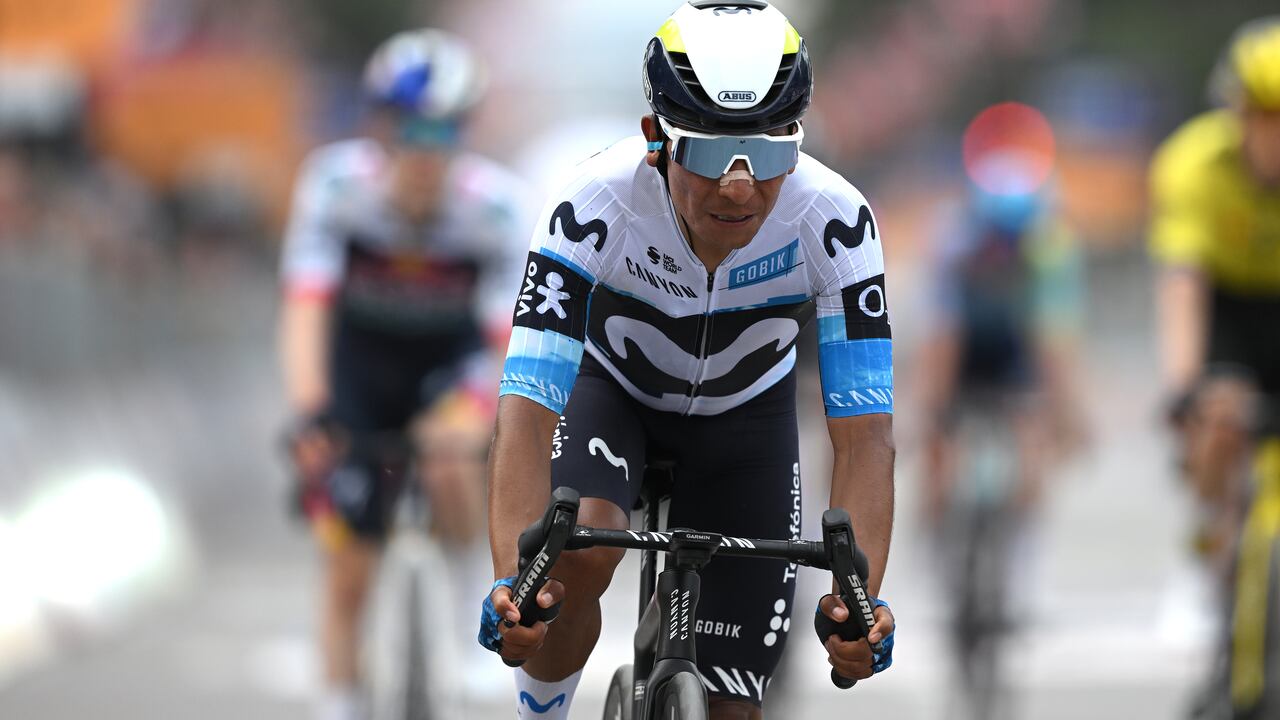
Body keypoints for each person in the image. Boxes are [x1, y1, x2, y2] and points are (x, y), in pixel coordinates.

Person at [477, 3, 896, 718]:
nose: (739, 186)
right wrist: (516, 587)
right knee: (572, 559)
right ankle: (539, 708)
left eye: (767, 154)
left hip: (744, 426)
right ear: (656, 139)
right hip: (610, 394)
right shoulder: (592, 204)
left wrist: (859, 602)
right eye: (707, 152)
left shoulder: (836, 221)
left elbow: (865, 434)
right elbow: (525, 408)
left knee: (735, 709)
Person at [277, 28, 532, 720]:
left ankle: (459, 617)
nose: (427, 149)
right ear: (381, 128)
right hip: (359, 369)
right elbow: (305, 308)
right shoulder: (334, 187)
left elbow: (505, 339)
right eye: (412, 130)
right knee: (349, 565)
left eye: (445, 131)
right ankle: (340, 697)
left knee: (452, 458)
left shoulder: (498, 207)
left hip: (448, 364)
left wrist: (485, 419)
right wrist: (310, 411)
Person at [916, 117, 1087, 718]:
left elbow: (1054, 343)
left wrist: (1064, 417)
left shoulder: (1049, 248)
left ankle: (1018, 558)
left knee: (1032, 442)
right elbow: (941, 340)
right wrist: (932, 421)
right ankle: (937, 534)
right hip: (964, 355)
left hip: (1015, 356)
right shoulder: (953, 241)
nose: (1004, 252)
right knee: (937, 448)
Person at [1148, 16, 1280, 719]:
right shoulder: (1192, 163)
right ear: (1239, 114)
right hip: (1229, 311)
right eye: (1265, 118)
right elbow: (1183, 284)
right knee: (1221, 412)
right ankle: (1207, 546)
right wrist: (1184, 388)